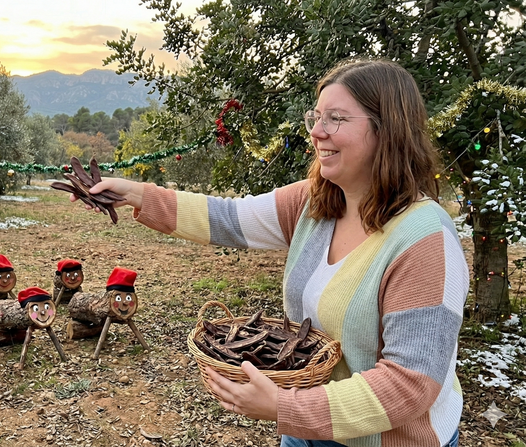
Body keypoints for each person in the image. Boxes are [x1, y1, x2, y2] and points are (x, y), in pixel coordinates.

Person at [70, 59, 467, 447]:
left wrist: (283, 405)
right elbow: (227, 218)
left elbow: (409, 384)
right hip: (307, 428)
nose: (317, 133)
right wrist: (133, 193)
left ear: (387, 130)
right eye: (316, 117)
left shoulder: (424, 239)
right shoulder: (315, 203)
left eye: (337, 119)